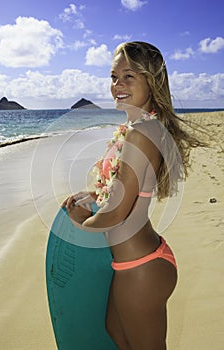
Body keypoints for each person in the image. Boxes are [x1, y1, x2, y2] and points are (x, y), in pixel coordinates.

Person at [62, 41, 206, 349]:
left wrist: (79, 224)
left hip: (140, 267)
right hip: (139, 259)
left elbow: (115, 213)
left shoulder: (141, 132)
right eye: (114, 77)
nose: (118, 85)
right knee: (117, 334)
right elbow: (126, 188)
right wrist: (95, 194)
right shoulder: (141, 127)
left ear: (151, 80)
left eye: (129, 76)